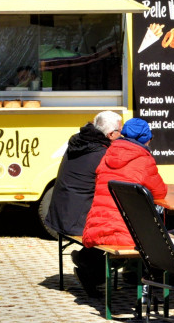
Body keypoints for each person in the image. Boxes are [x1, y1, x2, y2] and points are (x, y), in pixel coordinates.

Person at [79, 118, 167, 295]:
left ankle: (90, 267)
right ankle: (157, 280)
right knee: (161, 233)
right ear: (145, 139)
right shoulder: (144, 160)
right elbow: (160, 193)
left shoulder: (107, 155)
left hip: (96, 226)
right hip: (125, 231)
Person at [44, 111, 123, 296]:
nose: (123, 135)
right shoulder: (102, 152)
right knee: (119, 227)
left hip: (60, 210)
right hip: (74, 217)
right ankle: (90, 268)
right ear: (110, 134)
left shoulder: (79, 141)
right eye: (120, 131)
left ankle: (87, 262)